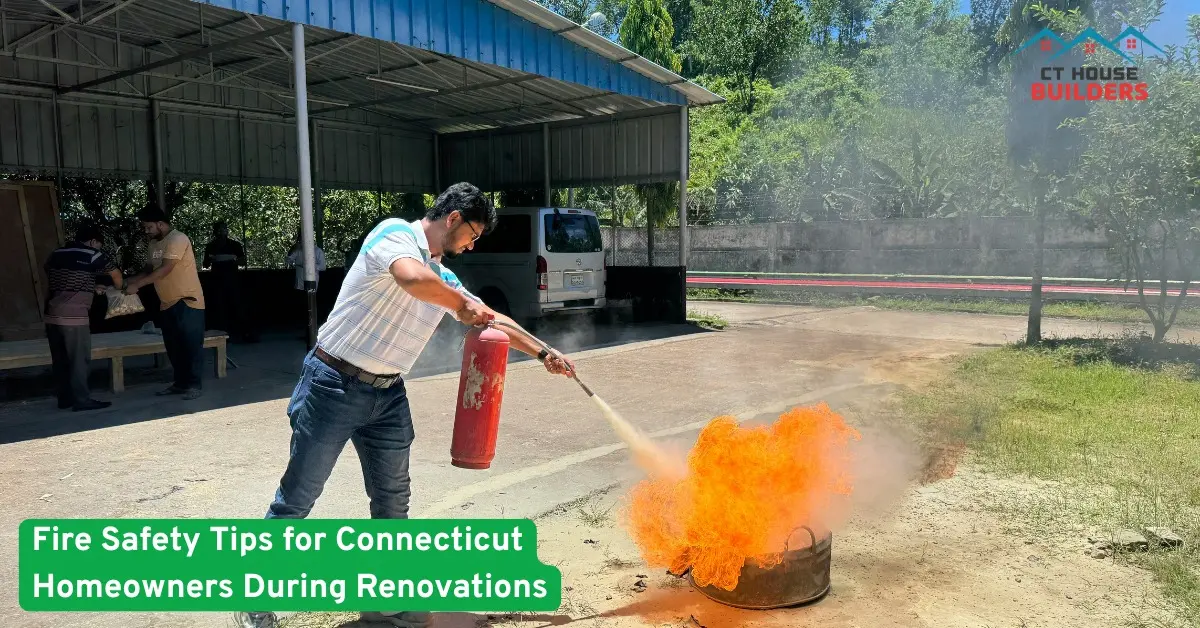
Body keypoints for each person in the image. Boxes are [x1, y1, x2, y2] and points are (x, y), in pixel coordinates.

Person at [233, 183, 576, 628]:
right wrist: (461, 306)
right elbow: (412, 279)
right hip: (332, 384)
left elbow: (491, 316)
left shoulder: (445, 277)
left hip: (388, 395)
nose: (472, 244)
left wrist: (544, 352)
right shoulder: (393, 234)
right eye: (473, 233)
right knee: (298, 498)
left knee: (393, 501)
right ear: (452, 218)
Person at [123, 206, 207, 400]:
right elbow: (149, 270)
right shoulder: (153, 244)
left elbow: (165, 269)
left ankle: (194, 385)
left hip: (187, 301)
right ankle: (180, 384)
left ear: (161, 224)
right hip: (167, 302)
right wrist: (129, 282)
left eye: (149, 227)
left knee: (191, 345)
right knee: (174, 347)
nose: (146, 231)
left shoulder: (178, 238)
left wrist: (138, 286)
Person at [43, 224, 125, 412]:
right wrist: (122, 289)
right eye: (99, 244)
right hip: (73, 317)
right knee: (79, 359)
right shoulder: (92, 254)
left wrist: (89, 286)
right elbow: (115, 274)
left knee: (60, 359)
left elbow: (53, 272)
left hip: (52, 314)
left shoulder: (57, 253)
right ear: (93, 241)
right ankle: (81, 400)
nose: (99, 248)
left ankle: (64, 399)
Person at [202, 221, 247, 341]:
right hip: (217, 281)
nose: (222, 231)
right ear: (215, 231)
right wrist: (212, 259)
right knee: (219, 307)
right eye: (219, 229)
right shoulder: (211, 246)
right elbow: (205, 264)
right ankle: (221, 334)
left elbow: (243, 261)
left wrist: (231, 260)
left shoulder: (235, 245)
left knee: (236, 305)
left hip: (232, 279)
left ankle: (240, 333)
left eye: (224, 229)